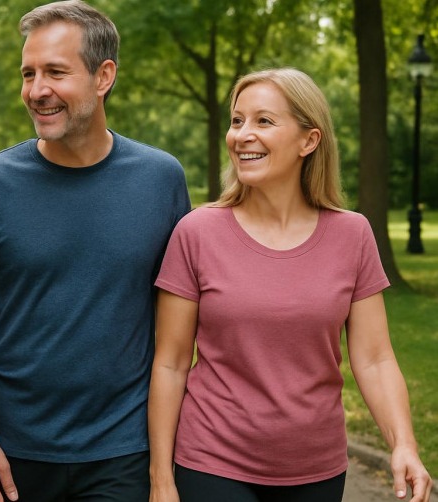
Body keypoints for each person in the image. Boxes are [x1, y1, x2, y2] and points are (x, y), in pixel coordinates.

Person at [149, 67, 433, 502]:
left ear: (309, 140)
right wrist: (161, 480)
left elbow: (375, 359)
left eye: (263, 121)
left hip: (317, 467)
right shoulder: (197, 232)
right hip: (212, 461)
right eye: (237, 120)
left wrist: (404, 444)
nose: (242, 135)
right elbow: (170, 364)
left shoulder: (353, 235)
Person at [0, 1, 191, 500]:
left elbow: (175, 330)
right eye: (28, 74)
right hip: (14, 452)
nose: (37, 90)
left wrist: (162, 467)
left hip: (123, 449)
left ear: (103, 76)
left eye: (56, 72)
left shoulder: (161, 180)